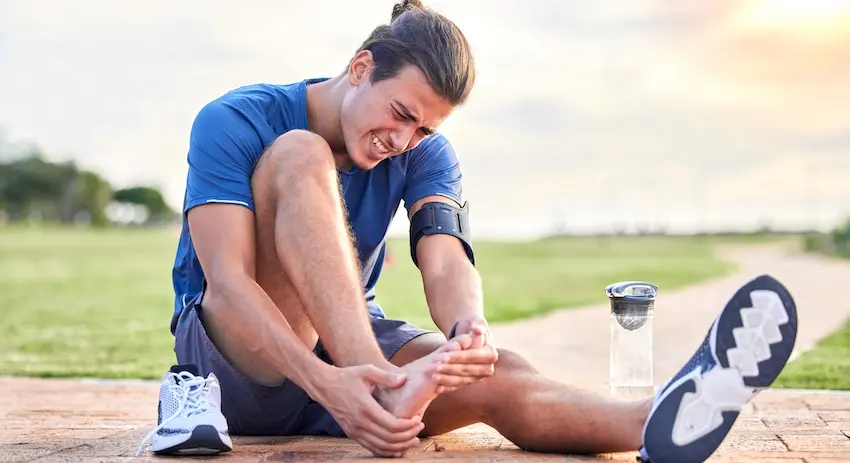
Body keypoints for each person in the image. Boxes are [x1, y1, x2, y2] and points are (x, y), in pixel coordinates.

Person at [135, 1, 800, 462]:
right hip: (246, 364)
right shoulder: (234, 119)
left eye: (423, 128)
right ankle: (379, 382)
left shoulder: (424, 152)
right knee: (300, 153)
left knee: (505, 370)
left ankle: (656, 419)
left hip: (352, 364)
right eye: (399, 113)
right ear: (360, 67)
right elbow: (226, 283)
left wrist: (467, 331)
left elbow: (444, 256)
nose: (402, 140)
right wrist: (331, 380)